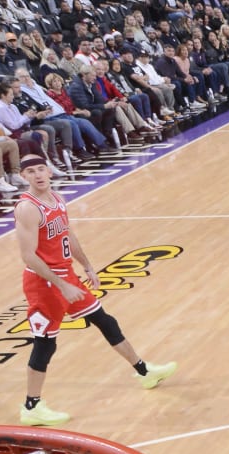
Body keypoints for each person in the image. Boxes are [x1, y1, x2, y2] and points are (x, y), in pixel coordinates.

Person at [12, 154, 175, 426]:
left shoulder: (56, 198)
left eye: (41, 168)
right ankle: (31, 406)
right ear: (23, 176)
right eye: (31, 171)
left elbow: (67, 234)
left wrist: (86, 265)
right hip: (44, 283)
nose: (38, 174)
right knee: (45, 344)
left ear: (49, 170)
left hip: (65, 276)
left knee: (104, 320)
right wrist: (62, 285)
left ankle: (144, 371)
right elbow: (28, 256)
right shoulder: (28, 208)